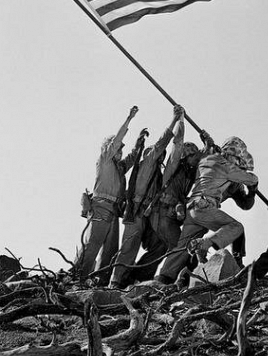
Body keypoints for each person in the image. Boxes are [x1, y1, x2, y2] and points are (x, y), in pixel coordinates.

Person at [155, 135, 258, 284]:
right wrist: (254, 187)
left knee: (181, 248)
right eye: (237, 160)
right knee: (236, 227)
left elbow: (246, 204)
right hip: (204, 206)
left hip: (192, 209)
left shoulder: (207, 160)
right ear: (233, 155)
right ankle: (203, 244)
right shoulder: (224, 165)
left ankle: (164, 278)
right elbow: (252, 179)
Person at [109, 105, 185, 288]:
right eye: (154, 152)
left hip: (149, 214)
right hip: (136, 211)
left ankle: (139, 276)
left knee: (160, 244)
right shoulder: (147, 163)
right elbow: (161, 143)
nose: (159, 155)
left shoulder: (158, 173)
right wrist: (175, 120)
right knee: (129, 247)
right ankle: (116, 281)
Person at [74, 105, 139, 283]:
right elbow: (116, 141)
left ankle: (98, 281)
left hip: (113, 210)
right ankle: (77, 278)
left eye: (121, 150)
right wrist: (129, 119)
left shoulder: (118, 167)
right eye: (118, 149)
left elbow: (131, 159)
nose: (120, 152)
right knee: (92, 246)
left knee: (110, 250)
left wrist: (139, 144)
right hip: (101, 207)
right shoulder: (105, 159)